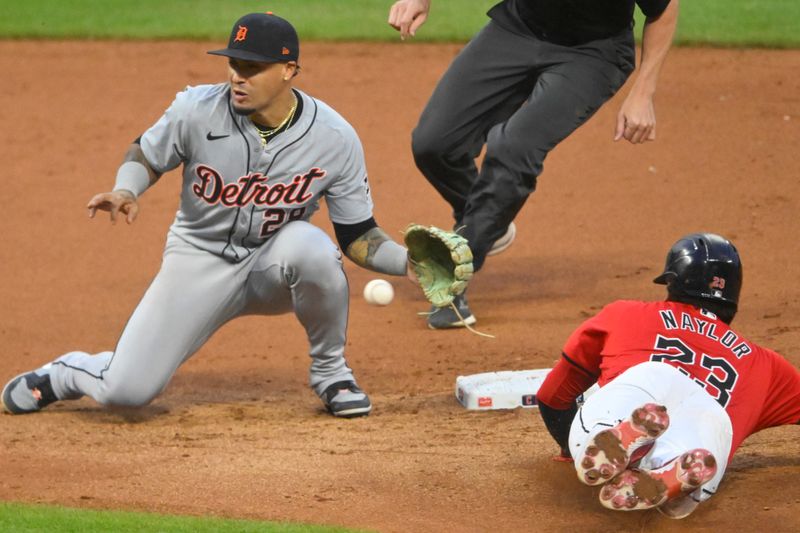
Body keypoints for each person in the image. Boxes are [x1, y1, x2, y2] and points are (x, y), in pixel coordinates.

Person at [1, 13, 416, 419]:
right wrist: (127, 187)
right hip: (197, 260)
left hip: (273, 264)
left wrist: (409, 262)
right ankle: (62, 375)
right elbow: (146, 153)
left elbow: (359, 236)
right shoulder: (195, 109)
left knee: (314, 250)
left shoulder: (335, 138)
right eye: (235, 64)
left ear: (289, 69)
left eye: (252, 67)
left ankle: (332, 374)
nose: (238, 76)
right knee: (126, 390)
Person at [388, 0, 679, 328]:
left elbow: (663, 9)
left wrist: (643, 91)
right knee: (434, 144)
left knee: (513, 148)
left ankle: (457, 269)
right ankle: (487, 223)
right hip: (517, 30)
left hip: (592, 53)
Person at [535, 233, 800, 518]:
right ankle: (672, 476)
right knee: (708, 439)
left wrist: (569, 449)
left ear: (673, 281)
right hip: (708, 414)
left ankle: (613, 435)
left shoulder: (625, 314)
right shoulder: (765, 364)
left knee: (611, 414)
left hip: (647, 384)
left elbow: (553, 397)